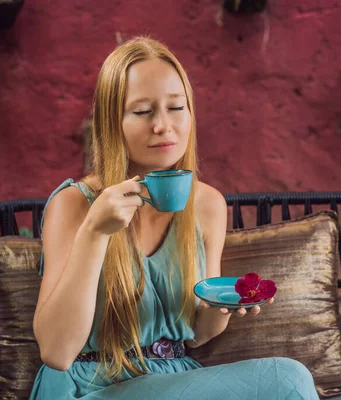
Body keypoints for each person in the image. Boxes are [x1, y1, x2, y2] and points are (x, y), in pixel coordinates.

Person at [29, 36, 319, 400]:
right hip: (86, 385)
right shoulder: (74, 204)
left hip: (174, 381)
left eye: (176, 107)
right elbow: (56, 353)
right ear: (111, 121)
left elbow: (197, 334)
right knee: (288, 380)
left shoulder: (209, 205)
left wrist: (225, 307)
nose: (164, 126)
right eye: (142, 111)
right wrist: (95, 232)